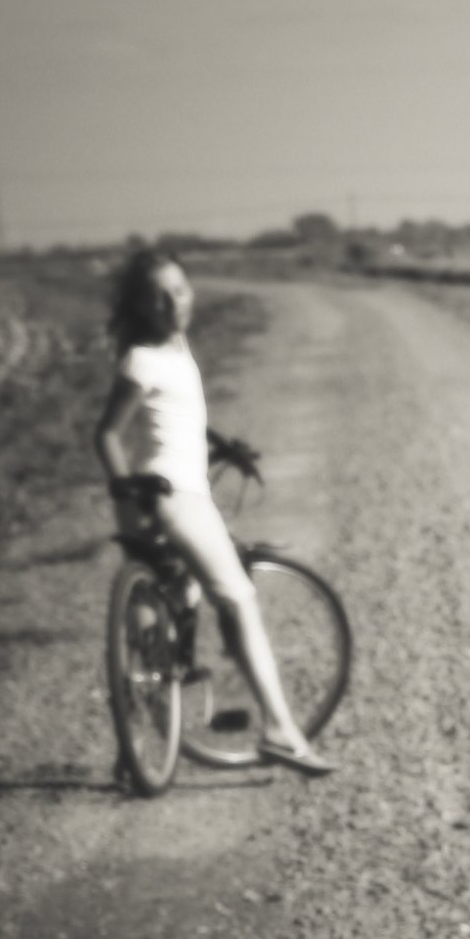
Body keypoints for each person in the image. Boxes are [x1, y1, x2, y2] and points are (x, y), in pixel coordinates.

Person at [93, 249, 336, 778]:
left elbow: (176, 417)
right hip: (172, 493)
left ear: (191, 293)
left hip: (148, 493)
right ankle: (278, 729)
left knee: (170, 603)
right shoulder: (143, 359)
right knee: (239, 597)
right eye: (159, 294)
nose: (171, 302)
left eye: (179, 290)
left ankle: (133, 746)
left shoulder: (174, 350)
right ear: (141, 304)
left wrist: (220, 446)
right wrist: (126, 486)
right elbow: (107, 434)